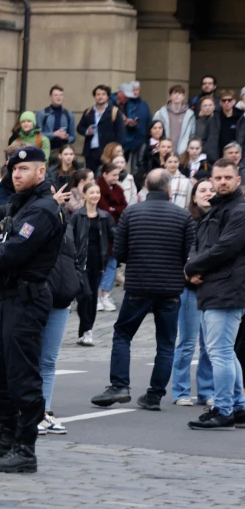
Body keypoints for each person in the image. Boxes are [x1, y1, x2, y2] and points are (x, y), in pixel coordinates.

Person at [0, 146, 65, 474]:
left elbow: (16, 249)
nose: (16, 174)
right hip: (7, 297)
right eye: (13, 170)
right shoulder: (18, 204)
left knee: (23, 377)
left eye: (24, 169)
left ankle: (25, 448)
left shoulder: (44, 209)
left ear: (41, 172)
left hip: (28, 299)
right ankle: (5, 439)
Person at [90, 169, 194, 410]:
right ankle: (155, 395)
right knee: (166, 343)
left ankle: (120, 385)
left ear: (146, 185)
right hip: (170, 289)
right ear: (169, 188)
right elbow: (188, 254)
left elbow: (120, 252)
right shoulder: (183, 216)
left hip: (139, 286)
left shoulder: (131, 213)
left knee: (123, 334)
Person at [184, 159, 245, 429]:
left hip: (228, 289)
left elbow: (225, 248)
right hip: (215, 287)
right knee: (225, 352)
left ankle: (223, 410)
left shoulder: (239, 210)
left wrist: (192, 266)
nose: (221, 182)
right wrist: (191, 267)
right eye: (217, 178)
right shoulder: (214, 210)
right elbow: (199, 244)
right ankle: (239, 408)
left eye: (227, 178)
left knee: (219, 351)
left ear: (237, 180)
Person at [38, 200, 84, 435]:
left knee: (48, 360)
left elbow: (73, 256)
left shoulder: (66, 224)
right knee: (30, 357)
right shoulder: (35, 220)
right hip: (37, 297)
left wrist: (76, 282)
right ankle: (26, 411)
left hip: (62, 299)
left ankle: (43, 411)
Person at [171, 180, 215, 407]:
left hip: (214, 288)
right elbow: (180, 253)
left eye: (211, 189)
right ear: (194, 196)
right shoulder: (187, 221)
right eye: (203, 190)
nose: (208, 193)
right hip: (189, 289)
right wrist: (188, 274)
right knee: (187, 342)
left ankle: (207, 391)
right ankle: (180, 391)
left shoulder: (223, 219)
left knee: (209, 344)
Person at [71, 181, 113, 347]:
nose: (95, 195)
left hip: (98, 260)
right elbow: (69, 237)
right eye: (92, 192)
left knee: (92, 296)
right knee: (86, 295)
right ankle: (86, 329)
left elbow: (113, 235)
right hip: (80, 261)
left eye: (97, 192)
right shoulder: (77, 216)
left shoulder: (104, 216)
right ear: (84, 195)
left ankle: (86, 331)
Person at [95, 162, 127, 312]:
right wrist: (114, 210)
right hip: (100, 232)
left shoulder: (119, 189)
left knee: (112, 266)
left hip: (115, 233)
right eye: (113, 175)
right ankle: (95, 296)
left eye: (118, 175)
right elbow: (103, 209)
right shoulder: (97, 189)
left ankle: (105, 295)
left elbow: (124, 208)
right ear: (105, 174)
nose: (116, 177)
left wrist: (114, 209)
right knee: (97, 266)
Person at [77, 84, 125, 175]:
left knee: (106, 174)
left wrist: (116, 150)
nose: (100, 97)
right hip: (91, 151)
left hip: (107, 151)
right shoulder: (88, 111)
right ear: (94, 96)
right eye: (98, 94)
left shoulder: (114, 111)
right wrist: (87, 131)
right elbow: (79, 127)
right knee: (90, 175)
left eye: (103, 94)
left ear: (107, 96)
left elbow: (121, 133)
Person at [153, 85, 196, 154]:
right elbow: (154, 132)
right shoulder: (160, 113)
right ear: (170, 96)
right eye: (174, 93)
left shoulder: (190, 114)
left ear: (183, 96)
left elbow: (192, 134)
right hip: (164, 150)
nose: (177, 95)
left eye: (180, 93)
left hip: (183, 151)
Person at [35, 85, 76, 152]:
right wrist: (54, 134)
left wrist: (66, 138)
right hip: (46, 149)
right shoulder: (42, 113)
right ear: (50, 97)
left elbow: (73, 137)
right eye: (56, 95)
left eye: (61, 95)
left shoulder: (69, 114)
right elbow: (37, 135)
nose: (58, 97)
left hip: (62, 150)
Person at [117, 82, 152, 160]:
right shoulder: (122, 104)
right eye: (133, 90)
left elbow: (149, 122)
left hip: (140, 140)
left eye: (137, 90)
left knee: (137, 166)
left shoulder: (144, 104)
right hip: (125, 141)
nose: (135, 92)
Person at [195, 96, 221, 163]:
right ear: (201, 107)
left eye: (210, 105)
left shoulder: (219, 120)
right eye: (205, 105)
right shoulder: (197, 123)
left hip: (217, 156)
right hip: (201, 156)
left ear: (214, 106)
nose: (208, 107)